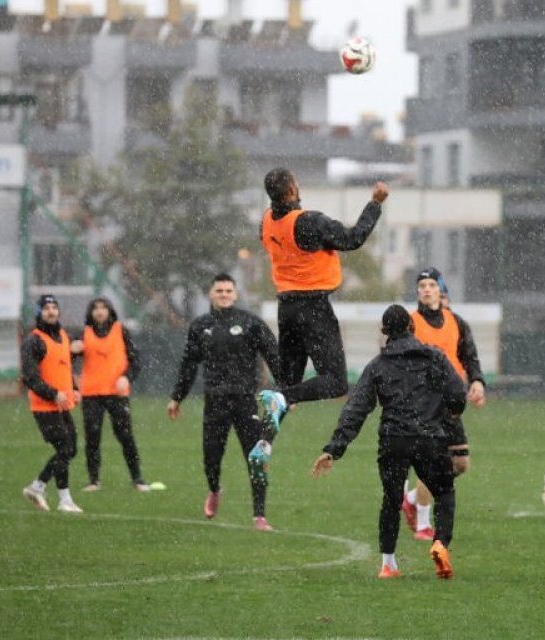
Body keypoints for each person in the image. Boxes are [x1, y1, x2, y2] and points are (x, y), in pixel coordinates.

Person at [312, 305, 467, 580]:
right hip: (430, 438)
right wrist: (452, 410)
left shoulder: (378, 366)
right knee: (444, 493)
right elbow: (457, 392)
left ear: (384, 331)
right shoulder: (435, 357)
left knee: (391, 501)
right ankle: (440, 543)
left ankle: (388, 564)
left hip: (394, 440)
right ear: (412, 326)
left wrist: (333, 448)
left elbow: (356, 409)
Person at [256, 169, 389, 425]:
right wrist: (375, 203)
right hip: (313, 308)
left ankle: (262, 443)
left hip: (286, 308)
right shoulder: (308, 221)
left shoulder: (266, 222)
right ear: (292, 191)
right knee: (335, 382)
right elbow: (353, 239)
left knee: (289, 385)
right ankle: (281, 396)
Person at [168, 274, 285, 531]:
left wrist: (289, 390)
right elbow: (188, 365)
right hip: (215, 402)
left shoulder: (250, 323)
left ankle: (259, 516)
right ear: (211, 294)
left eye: (228, 290)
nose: (223, 294)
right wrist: (177, 397)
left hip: (245, 401)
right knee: (211, 457)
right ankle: (214, 489)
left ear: (235, 294)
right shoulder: (200, 326)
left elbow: (273, 354)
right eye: (219, 290)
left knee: (256, 457)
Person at [400, 267, 484, 541]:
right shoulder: (410, 323)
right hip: (423, 404)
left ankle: (411, 498)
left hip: (450, 403)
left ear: (440, 290)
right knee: (433, 461)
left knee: (460, 463)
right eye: (422, 285)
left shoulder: (455, 321)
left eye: (431, 285)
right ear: (417, 291)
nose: (426, 289)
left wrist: (477, 381)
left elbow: (469, 356)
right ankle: (423, 525)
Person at [70, 297, 148, 493]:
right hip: (91, 394)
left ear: (110, 311)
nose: (99, 311)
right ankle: (93, 481)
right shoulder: (83, 334)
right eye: (95, 308)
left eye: (103, 307)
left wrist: (126, 378)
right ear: (90, 312)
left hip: (116, 393)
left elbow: (135, 361)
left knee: (125, 436)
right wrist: (72, 352)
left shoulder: (121, 331)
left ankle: (138, 479)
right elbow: (64, 360)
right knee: (92, 438)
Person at [20, 294, 84, 514]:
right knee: (64, 449)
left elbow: (64, 367)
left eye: (54, 307)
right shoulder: (33, 340)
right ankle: (56, 496)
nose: (51, 311)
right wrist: (53, 393)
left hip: (63, 405)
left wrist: (74, 390)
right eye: (46, 307)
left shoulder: (63, 336)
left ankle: (43, 490)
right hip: (44, 406)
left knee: (70, 449)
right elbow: (30, 377)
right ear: (39, 312)